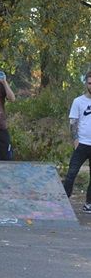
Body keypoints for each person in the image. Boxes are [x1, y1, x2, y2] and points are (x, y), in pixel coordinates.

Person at [62, 71, 91, 213]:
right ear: (86, 84)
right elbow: (73, 122)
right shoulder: (78, 101)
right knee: (71, 173)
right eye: (90, 83)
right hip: (82, 144)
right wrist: (75, 140)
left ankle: (89, 203)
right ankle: (64, 199)